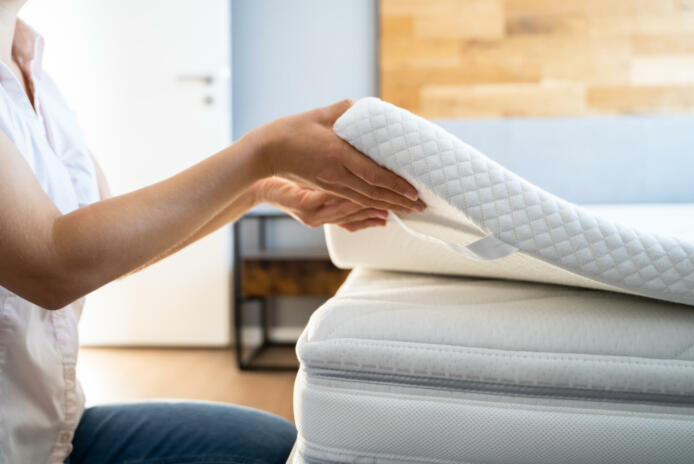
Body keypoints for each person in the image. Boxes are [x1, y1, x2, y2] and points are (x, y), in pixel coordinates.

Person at [0, 1, 425, 463]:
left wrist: (259, 189)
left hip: (53, 434)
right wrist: (261, 155)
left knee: (273, 446)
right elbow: (55, 264)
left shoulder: (29, 62)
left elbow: (99, 249)